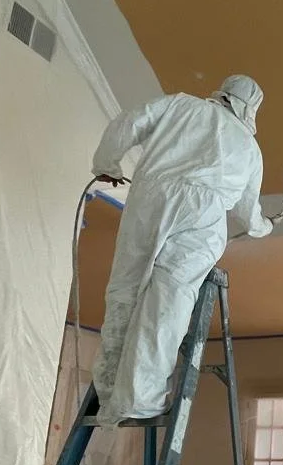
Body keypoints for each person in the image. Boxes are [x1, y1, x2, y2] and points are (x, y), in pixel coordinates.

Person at [89, 75, 272, 425]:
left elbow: (128, 122)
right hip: (202, 217)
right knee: (168, 301)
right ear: (252, 108)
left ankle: (109, 390)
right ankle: (139, 400)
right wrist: (264, 227)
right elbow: (249, 214)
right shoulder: (248, 147)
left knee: (126, 288)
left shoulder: (180, 104)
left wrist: (106, 165)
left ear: (223, 92)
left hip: (149, 199)